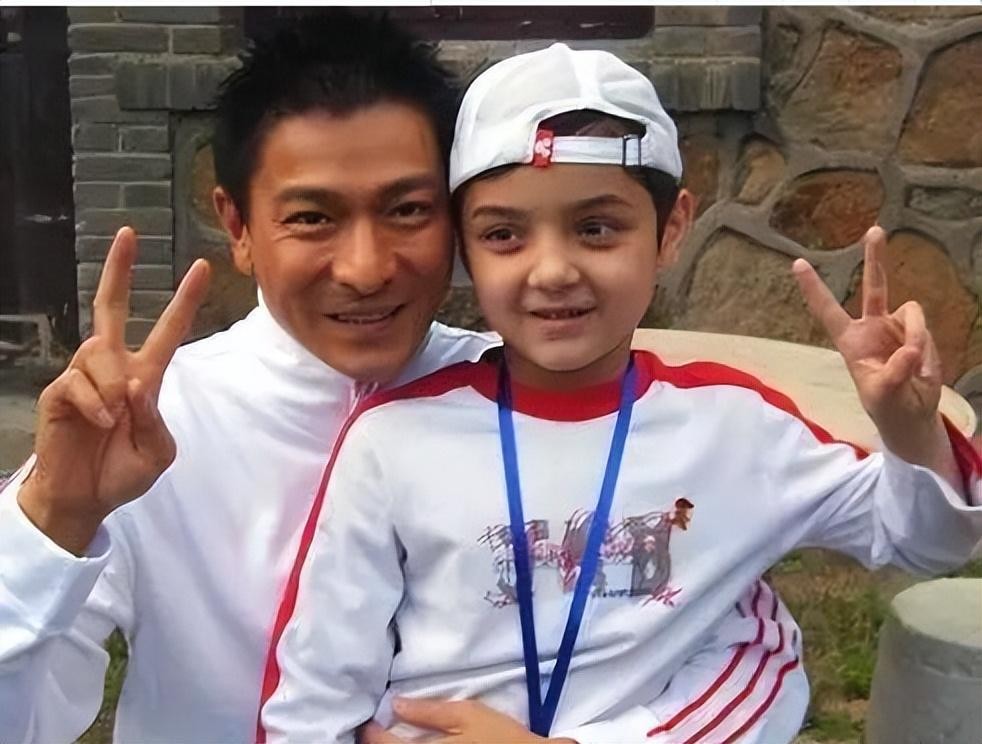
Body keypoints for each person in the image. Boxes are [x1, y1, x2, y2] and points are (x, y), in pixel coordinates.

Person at [0, 13, 806, 744]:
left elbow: (746, 650)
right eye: (312, 217)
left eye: (407, 210)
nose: (365, 268)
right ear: (238, 226)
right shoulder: (148, 426)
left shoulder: (543, 400)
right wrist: (52, 520)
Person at [258, 43, 982, 744]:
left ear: (670, 230)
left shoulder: (736, 428)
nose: (552, 270)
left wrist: (909, 431)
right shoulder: (392, 439)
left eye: (596, 229)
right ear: (464, 250)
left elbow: (924, 540)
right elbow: (316, 689)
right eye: (504, 234)